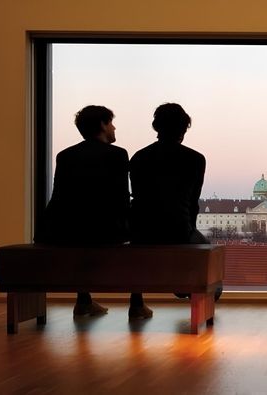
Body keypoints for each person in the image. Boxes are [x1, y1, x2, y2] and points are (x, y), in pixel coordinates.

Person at [34, 105, 129, 317]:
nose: (114, 127)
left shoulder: (65, 155)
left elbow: (60, 196)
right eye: (111, 122)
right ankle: (137, 303)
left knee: (82, 229)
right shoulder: (118, 155)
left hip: (63, 230)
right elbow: (121, 199)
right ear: (103, 125)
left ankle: (84, 300)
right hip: (103, 231)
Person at [129, 103, 214, 309]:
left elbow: (139, 197)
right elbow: (193, 202)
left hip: (141, 231)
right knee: (209, 254)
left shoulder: (139, 157)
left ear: (156, 127)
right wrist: (189, 231)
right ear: (184, 129)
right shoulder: (195, 159)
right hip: (178, 228)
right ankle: (187, 291)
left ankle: (136, 303)